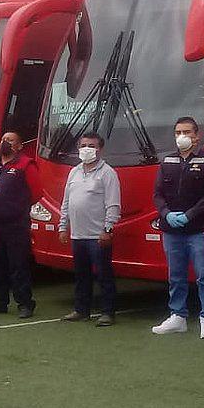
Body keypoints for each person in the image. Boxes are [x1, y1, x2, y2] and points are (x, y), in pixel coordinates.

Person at [151, 116, 204, 338]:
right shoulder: (167, 161)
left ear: (197, 136)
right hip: (172, 230)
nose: (183, 137)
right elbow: (158, 194)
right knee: (176, 275)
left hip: (198, 229)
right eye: (179, 132)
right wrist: (166, 214)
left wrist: (189, 215)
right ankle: (177, 316)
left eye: (188, 132)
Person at [59, 132, 121, 325]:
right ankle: (81, 309)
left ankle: (107, 312)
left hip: (98, 236)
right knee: (81, 275)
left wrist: (108, 229)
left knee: (103, 275)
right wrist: (63, 226)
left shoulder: (107, 173)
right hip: (78, 235)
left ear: (99, 149)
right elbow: (67, 201)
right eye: (83, 145)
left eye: (92, 145)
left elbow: (113, 204)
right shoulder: (74, 172)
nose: (87, 149)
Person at [0, 130, 40, 319]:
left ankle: (25, 303)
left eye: (11, 140)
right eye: (4, 139)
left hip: (16, 224)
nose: (6, 143)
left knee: (18, 264)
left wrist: (17, 207)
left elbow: (37, 192)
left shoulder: (25, 165)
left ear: (19, 146)